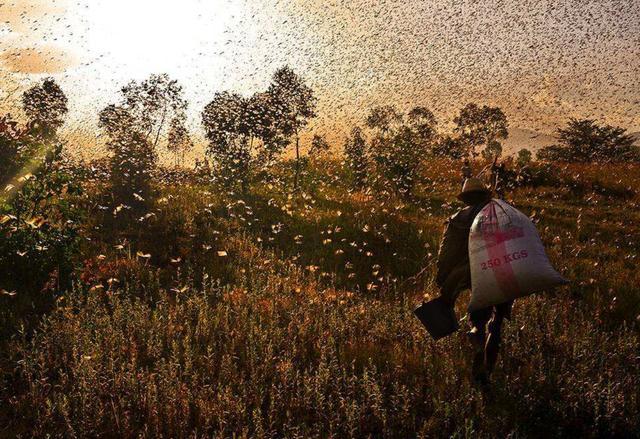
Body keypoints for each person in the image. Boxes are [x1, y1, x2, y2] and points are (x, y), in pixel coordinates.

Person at [435, 177, 513, 385]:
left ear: (466, 199)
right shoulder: (501, 214)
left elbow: (447, 251)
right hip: (501, 269)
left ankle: (476, 334)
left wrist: (442, 276)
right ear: (485, 195)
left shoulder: (458, 218)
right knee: (497, 322)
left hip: (472, 272)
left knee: (479, 319)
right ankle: (487, 372)